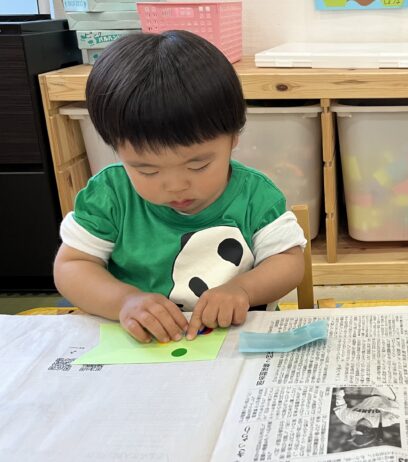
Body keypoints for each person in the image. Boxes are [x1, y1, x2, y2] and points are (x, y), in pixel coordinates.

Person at [53, 31, 306, 343]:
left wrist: (242, 289)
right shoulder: (110, 195)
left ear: (233, 138)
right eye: (146, 169)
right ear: (116, 150)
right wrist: (124, 301)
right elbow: (72, 265)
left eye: (198, 165)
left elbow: (289, 261)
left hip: (238, 344)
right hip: (144, 349)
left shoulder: (255, 195)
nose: (175, 185)